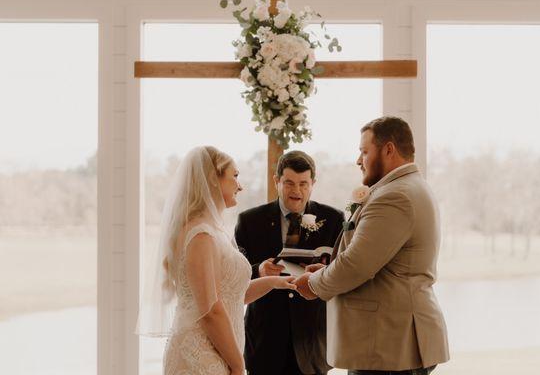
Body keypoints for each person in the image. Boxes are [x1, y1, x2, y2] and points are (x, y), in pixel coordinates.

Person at [294, 117, 450, 375]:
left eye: (364, 152)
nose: (358, 161)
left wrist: (313, 284)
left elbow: (356, 265)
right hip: (388, 342)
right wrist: (325, 269)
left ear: (389, 149)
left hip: (389, 344)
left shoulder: (395, 196)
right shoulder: (407, 188)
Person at [137, 146, 296, 375]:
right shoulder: (200, 235)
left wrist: (275, 282)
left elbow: (231, 295)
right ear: (213, 179)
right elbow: (210, 310)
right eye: (235, 176)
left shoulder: (213, 231)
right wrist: (238, 364)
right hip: (201, 355)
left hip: (216, 350)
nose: (240, 186)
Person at [235, 150, 344, 375]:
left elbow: (343, 271)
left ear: (313, 183)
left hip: (312, 343)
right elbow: (234, 278)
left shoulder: (334, 219)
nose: (297, 191)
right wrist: (259, 270)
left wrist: (326, 273)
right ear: (277, 181)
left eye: (304, 184)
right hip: (265, 341)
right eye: (289, 183)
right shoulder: (249, 221)